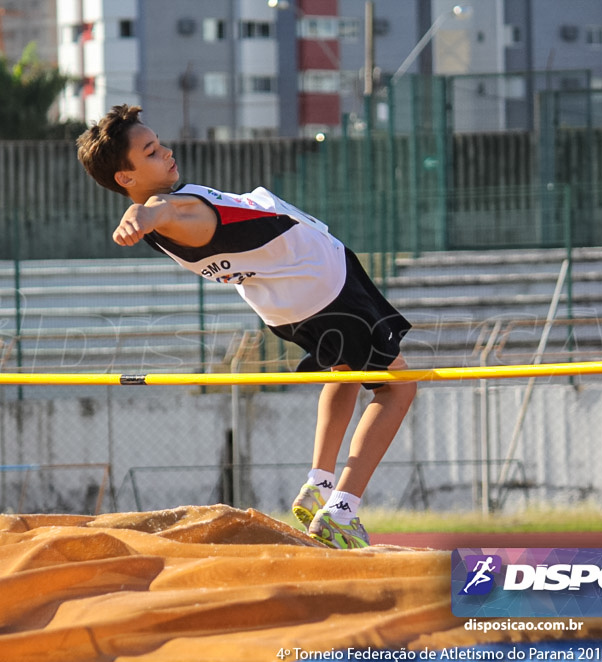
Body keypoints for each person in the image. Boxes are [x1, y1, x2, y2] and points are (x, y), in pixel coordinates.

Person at [76, 104, 416, 549]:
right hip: (326, 286)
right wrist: (136, 218)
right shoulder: (167, 208)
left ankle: (319, 483)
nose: (168, 152)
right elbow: (154, 211)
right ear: (126, 178)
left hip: (287, 306)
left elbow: (156, 212)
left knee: (345, 372)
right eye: (152, 152)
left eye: (159, 144)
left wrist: (141, 216)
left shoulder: (169, 217)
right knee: (397, 388)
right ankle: (343, 508)